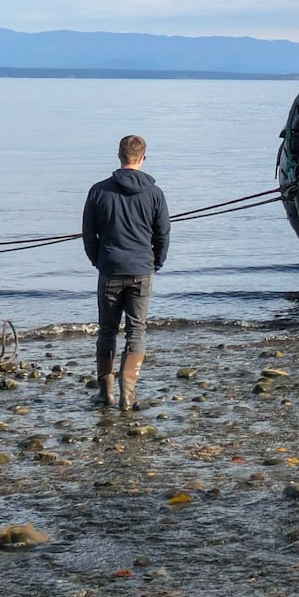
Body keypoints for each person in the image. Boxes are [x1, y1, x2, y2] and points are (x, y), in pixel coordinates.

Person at [82, 135, 170, 410]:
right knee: (136, 330)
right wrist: (156, 262)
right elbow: (163, 234)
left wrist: (98, 260)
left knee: (107, 330)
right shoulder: (155, 193)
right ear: (143, 157)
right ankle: (127, 395)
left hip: (110, 267)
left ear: (119, 155)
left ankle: (105, 392)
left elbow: (88, 233)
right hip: (141, 268)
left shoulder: (98, 191)